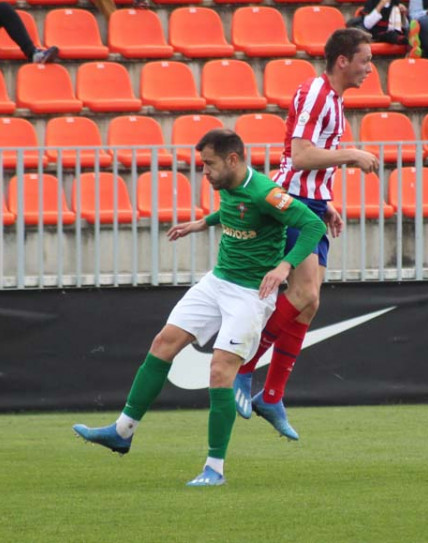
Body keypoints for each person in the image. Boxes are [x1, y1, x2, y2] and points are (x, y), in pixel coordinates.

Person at [72, 129, 326, 487]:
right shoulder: (227, 188)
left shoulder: (267, 193)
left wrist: (285, 265)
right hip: (217, 282)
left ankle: (215, 469)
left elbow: (312, 224)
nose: (204, 171)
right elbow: (234, 212)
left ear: (233, 160)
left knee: (221, 369)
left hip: (249, 294)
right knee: (163, 343)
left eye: (209, 164)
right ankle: (122, 431)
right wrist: (201, 223)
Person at [232, 28, 380, 441]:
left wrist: (326, 201)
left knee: (308, 306)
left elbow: (304, 161)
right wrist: (352, 154)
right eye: (365, 60)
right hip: (293, 204)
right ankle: (243, 370)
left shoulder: (332, 98)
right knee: (304, 296)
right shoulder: (317, 92)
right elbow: (299, 155)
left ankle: (272, 395)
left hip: (310, 203)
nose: (370, 68)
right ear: (342, 61)